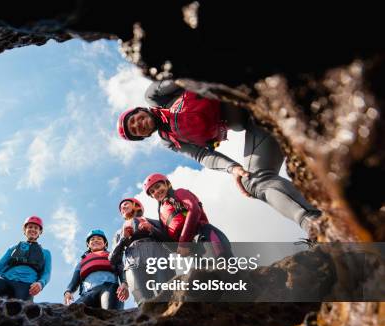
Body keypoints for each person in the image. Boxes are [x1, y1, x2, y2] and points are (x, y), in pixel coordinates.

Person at [117, 79, 322, 234]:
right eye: (135, 130)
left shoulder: (155, 96)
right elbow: (202, 155)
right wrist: (233, 169)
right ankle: (315, 223)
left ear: (140, 111)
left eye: (135, 119)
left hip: (253, 92)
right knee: (253, 182)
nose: (139, 125)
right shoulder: (169, 140)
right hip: (256, 123)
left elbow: (182, 75)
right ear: (142, 137)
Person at [143, 173, 232, 259]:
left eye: (158, 186)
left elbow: (194, 209)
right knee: (203, 273)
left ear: (166, 184)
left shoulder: (179, 193)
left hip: (205, 236)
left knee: (226, 267)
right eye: (152, 191)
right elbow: (169, 240)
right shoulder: (162, 213)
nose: (156, 191)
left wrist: (183, 243)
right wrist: (152, 229)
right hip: (194, 249)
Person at [109, 197, 176, 305]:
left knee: (168, 297)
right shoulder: (119, 233)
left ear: (136, 205)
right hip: (133, 265)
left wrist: (151, 229)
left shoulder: (153, 221)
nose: (123, 208)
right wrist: (122, 240)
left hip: (159, 258)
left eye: (125, 204)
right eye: (121, 208)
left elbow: (171, 242)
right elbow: (113, 260)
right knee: (143, 304)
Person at [0, 216, 51, 301]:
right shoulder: (13, 248)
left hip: (26, 285)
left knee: (23, 309)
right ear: (25, 230)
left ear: (40, 232)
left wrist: (40, 284)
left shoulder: (45, 253)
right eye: (30, 227)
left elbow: (47, 273)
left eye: (36, 228)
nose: (33, 229)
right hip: (5, 279)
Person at [64, 229, 129, 310]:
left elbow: (122, 271)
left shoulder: (113, 256)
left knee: (110, 314)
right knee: (71, 312)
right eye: (92, 239)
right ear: (88, 244)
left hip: (110, 287)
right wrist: (68, 292)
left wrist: (124, 284)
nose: (96, 241)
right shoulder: (81, 262)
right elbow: (74, 281)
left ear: (105, 244)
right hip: (88, 293)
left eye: (99, 239)